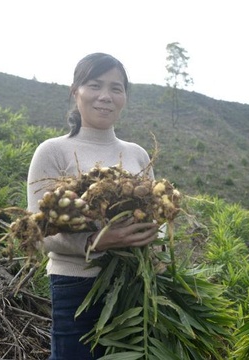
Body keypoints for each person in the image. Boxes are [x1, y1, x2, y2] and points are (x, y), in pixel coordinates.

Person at [27, 53, 160, 359]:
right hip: (76, 286)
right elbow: (37, 232)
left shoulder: (138, 155)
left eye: (116, 88)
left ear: (125, 96)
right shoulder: (53, 151)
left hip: (135, 285)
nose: (105, 96)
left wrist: (158, 256)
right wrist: (95, 241)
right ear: (76, 92)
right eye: (95, 85)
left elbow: (154, 222)